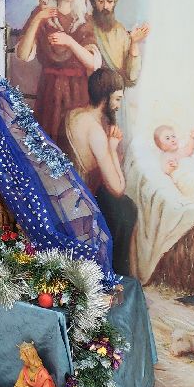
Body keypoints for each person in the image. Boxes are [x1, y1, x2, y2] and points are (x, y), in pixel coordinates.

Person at [16, 0, 100, 155]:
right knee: (48, 146)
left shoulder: (83, 20)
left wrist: (70, 42)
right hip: (50, 91)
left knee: (73, 147)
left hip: (77, 92)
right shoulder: (43, 12)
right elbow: (22, 54)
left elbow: (93, 63)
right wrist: (38, 19)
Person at [63, 68, 133, 275]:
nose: (118, 106)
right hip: (84, 200)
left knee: (127, 208)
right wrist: (112, 148)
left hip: (68, 190)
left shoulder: (73, 114)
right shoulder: (95, 132)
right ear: (106, 96)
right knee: (126, 210)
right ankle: (118, 275)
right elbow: (117, 188)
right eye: (117, 99)